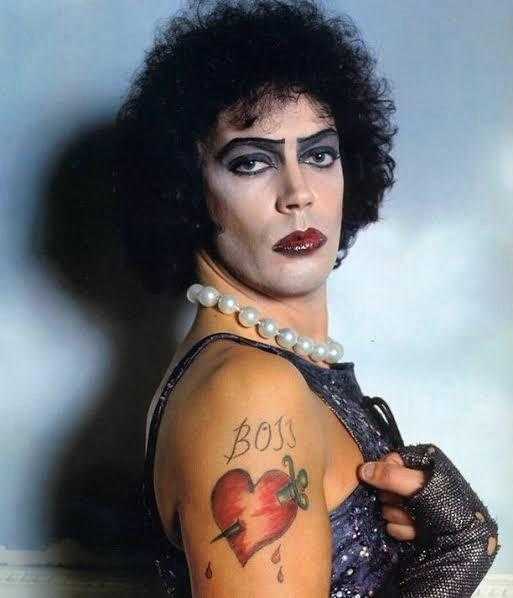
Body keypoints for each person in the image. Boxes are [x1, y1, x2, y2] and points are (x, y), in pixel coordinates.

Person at [113, 0, 500, 596]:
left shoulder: (283, 368)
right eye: (251, 163)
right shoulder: (250, 393)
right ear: (188, 190)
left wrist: (452, 546)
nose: (298, 192)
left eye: (319, 154)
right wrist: (454, 560)